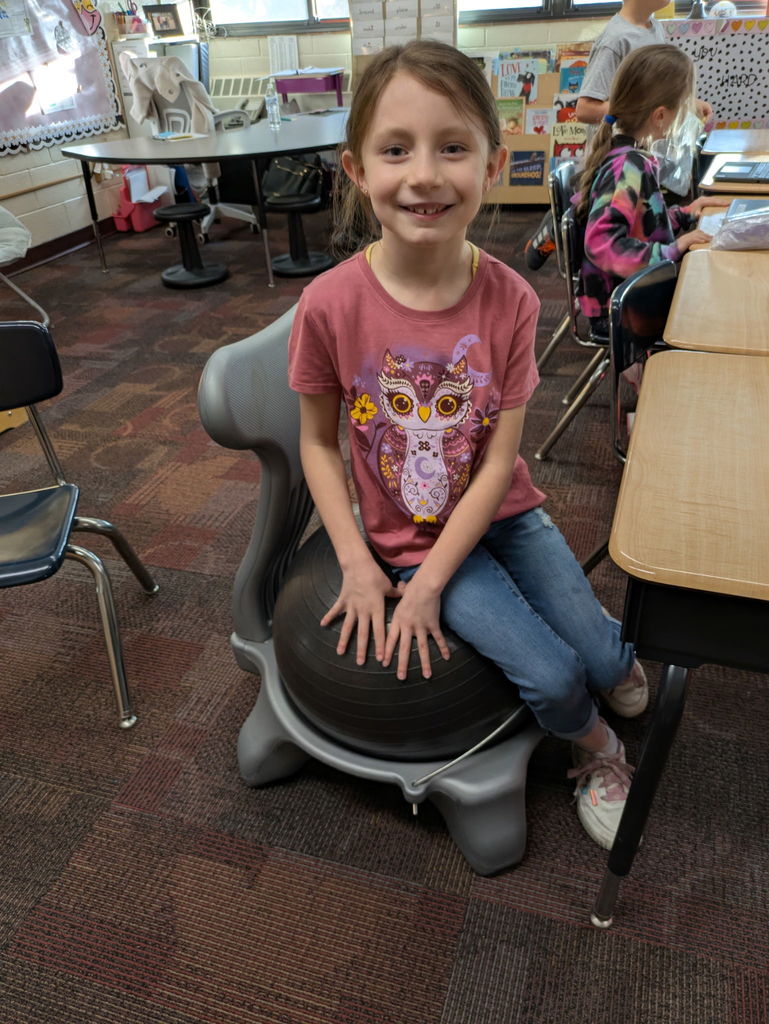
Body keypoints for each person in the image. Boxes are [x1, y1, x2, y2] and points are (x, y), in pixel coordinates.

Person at [288, 39, 647, 852]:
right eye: (395, 149)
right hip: (407, 538)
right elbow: (315, 443)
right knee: (557, 679)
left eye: (452, 147)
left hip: (505, 513)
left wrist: (430, 589)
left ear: (491, 166)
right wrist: (361, 563)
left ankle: (613, 670)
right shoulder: (328, 306)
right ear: (355, 169)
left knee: (600, 652)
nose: (423, 174)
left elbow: (496, 463)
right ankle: (596, 753)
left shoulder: (510, 299)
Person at [575, 44, 730, 330]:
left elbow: (641, 222)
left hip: (636, 289)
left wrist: (685, 213)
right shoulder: (628, 167)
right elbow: (601, 244)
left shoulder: (633, 157)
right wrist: (673, 249)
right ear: (660, 116)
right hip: (625, 305)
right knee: (721, 304)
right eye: (685, 106)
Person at [575, 0, 713, 128]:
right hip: (619, 150)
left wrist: (686, 104)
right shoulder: (615, 40)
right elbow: (585, 110)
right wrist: (644, 108)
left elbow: (655, 89)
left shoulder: (655, 27)